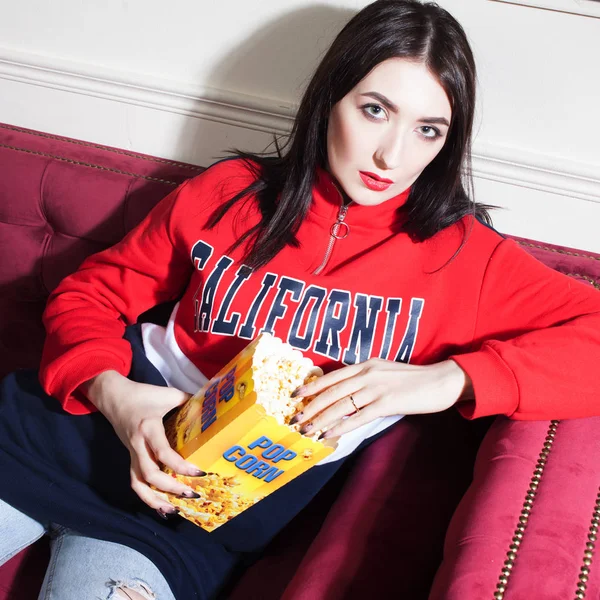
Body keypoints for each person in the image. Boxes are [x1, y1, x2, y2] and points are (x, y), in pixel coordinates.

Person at [1, 1, 599, 599]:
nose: (392, 157)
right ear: (329, 98)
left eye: (427, 130)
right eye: (374, 110)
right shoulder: (231, 193)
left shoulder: (465, 257)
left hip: (186, 518)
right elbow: (93, 292)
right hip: (56, 435)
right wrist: (113, 392)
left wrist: (448, 380)